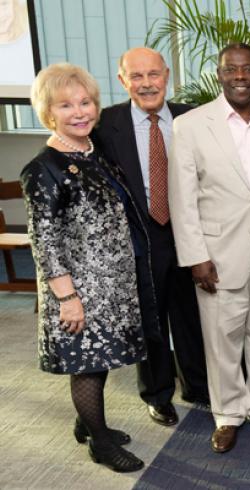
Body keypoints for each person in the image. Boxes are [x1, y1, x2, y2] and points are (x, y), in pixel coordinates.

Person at [21, 62, 151, 472]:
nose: (80, 112)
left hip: (109, 284)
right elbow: (45, 242)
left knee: (101, 359)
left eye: (86, 102)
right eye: (66, 105)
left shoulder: (93, 154)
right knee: (88, 366)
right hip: (79, 289)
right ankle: (100, 443)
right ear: (48, 113)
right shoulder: (43, 169)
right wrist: (68, 298)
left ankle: (88, 423)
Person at [168, 43, 250, 453]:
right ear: (220, 74)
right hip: (217, 256)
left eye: (249, 70)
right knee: (223, 340)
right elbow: (182, 198)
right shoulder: (191, 125)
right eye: (231, 70)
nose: (240, 77)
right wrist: (195, 256)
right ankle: (227, 415)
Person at [95, 46, 209, 428]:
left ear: (167, 76)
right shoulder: (103, 126)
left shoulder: (191, 118)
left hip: (190, 234)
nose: (147, 84)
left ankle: (197, 385)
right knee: (152, 319)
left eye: (153, 74)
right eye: (137, 76)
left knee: (192, 315)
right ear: (122, 81)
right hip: (140, 238)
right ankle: (158, 394)